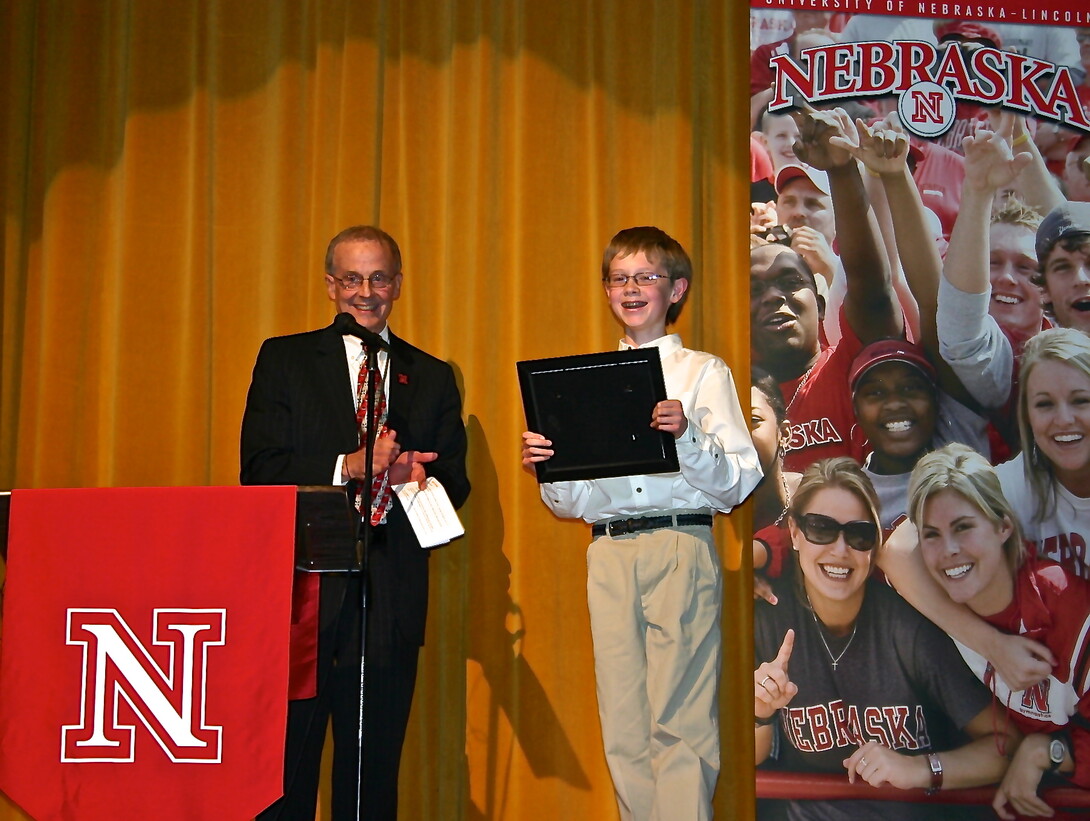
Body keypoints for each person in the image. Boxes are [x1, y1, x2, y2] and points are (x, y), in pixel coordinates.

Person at [521, 226, 761, 821]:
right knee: (624, 720)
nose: (631, 289)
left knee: (679, 718)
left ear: (675, 290)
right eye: (619, 278)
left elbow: (738, 484)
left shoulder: (703, 373)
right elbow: (572, 504)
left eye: (646, 277)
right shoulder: (585, 382)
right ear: (606, 290)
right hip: (607, 552)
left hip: (679, 539)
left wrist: (688, 436)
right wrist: (551, 467)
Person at [240, 225, 471, 821]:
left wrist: (414, 481)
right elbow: (259, 469)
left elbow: (458, 484)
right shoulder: (285, 358)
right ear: (330, 285)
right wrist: (349, 465)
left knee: (372, 775)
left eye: (379, 278)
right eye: (352, 279)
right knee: (285, 771)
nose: (366, 292)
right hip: (301, 595)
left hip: (390, 596)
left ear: (398, 283)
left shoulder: (433, 374)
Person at [754, 458, 1015, 820]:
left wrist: (919, 769)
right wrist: (760, 711)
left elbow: (1005, 746)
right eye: (821, 529)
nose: (840, 550)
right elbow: (751, 758)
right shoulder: (769, 615)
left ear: (875, 544)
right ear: (795, 534)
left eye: (859, 534)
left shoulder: (908, 627)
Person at [908, 443, 1090, 818]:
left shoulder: (1062, 599)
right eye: (931, 535)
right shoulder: (934, 603)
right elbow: (886, 550)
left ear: (1003, 526)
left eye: (963, 527)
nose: (949, 550)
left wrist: (1049, 750)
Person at [750, 106, 903, 473]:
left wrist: (841, 170)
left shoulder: (850, 365)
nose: (773, 297)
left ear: (820, 306)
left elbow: (873, 288)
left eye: (790, 283)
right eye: (754, 290)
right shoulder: (731, 397)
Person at [997, 327, 1090, 581]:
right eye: (1045, 404)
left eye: (1081, 400)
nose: (1064, 420)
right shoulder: (1013, 483)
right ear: (1026, 415)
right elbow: (901, 549)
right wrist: (967, 624)